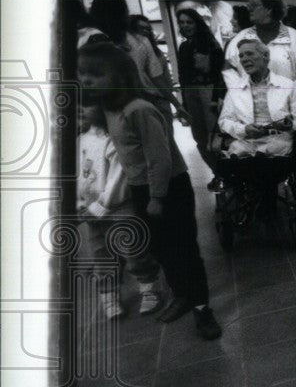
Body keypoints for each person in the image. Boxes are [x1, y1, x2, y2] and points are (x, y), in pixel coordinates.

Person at [77, 42, 222, 340]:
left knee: (184, 250)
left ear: (118, 76)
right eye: (82, 75)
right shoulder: (109, 109)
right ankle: (181, 295)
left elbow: (160, 158)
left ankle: (202, 308)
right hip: (141, 189)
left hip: (169, 187)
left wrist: (157, 197)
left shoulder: (138, 109)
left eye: (93, 75)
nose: (86, 81)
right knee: (160, 248)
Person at [77, 101, 162, 319]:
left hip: (119, 208)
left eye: (85, 104)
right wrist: (80, 203)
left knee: (134, 251)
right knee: (101, 255)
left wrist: (100, 206)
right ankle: (109, 294)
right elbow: (79, 177)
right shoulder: (82, 139)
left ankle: (148, 288)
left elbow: (118, 178)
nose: (80, 109)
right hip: (92, 211)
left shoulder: (113, 138)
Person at [88, 0, 179, 127]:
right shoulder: (138, 41)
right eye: (125, 12)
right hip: (138, 104)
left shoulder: (92, 45)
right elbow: (156, 77)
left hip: (122, 109)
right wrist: (176, 103)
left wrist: (175, 103)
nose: (127, 16)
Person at [218, 40, 296, 157]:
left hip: (279, 143)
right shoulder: (235, 89)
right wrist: (244, 129)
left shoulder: (288, 85)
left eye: (249, 54)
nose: (244, 59)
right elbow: (224, 122)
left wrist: (290, 125)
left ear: (265, 56)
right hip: (246, 143)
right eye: (241, 56)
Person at [175, 7, 227, 189]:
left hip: (209, 92)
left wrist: (216, 97)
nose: (185, 26)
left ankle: (227, 173)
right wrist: (183, 103)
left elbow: (221, 74)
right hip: (191, 94)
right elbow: (182, 76)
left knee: (216, 137)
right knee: (199, 138)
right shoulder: (183, 46)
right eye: (182, 22)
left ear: (197, 23)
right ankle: (218, 173)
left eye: (189, 22)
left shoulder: (211, 44)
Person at [223, 0, 296, 89]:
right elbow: (228, 69)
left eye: (254, 5)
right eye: (248, 5)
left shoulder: (294, 37)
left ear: (269, 9)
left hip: (286, 101)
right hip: (249, 103)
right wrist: (238, 93)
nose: (249, 8)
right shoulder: (240, 38)